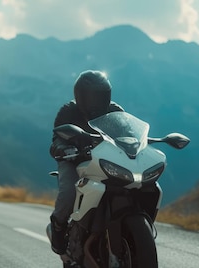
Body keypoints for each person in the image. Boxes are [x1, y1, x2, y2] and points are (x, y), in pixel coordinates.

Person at [46, 70, 124, 259]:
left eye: (100, 96)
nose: (96, 101)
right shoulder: (68, 111)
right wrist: (63, 149)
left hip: (106, 161)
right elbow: (56, 140)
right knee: (68, 192)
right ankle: (58, 226)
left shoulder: (115, 112)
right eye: (91, 97)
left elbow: (128, 134)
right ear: (80, 96)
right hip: (75, 161)